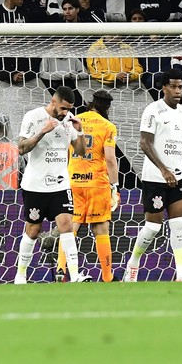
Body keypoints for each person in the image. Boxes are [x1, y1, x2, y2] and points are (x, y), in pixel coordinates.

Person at [123, 70, 182, 282]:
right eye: (173, 86)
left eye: (180, 87)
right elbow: (144, 143)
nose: (177, 91)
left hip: (178, 176)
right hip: (155, 177)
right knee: (153, 227)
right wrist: (164, 169)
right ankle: (133, 264)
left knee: (179, 225)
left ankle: (181, 274)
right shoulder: (153, 110)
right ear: (163, 88)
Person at [14, 86, 89, 284]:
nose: (66, 113)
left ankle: (75, 275)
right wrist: (42, 131)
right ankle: (20, 275)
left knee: (66, 225)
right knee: (33, 230)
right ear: (53, 102)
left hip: (60, 185)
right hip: (35, 186)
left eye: (69, 109)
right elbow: (21, 148)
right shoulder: (33, 117)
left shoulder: (69, 120)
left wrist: (80, 131)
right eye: (63, 108)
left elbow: (81, 152)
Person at [56, 90, 119, 283]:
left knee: (69, 227)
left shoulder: (73, 120)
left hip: (73, 181)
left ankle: (61, 270)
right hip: (97, 183)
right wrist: (114, 186)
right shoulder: (108, 126)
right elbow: (110, 159)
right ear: (107, 108)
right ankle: (107, 277)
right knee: (101, 229)